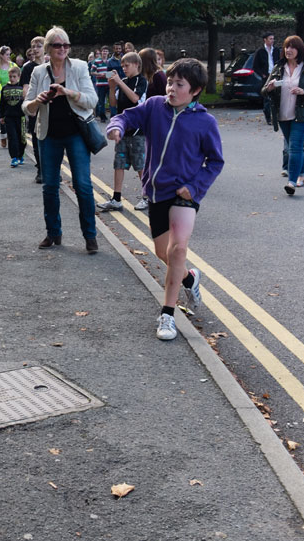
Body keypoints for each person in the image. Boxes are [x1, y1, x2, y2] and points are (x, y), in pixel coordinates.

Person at [106, 58, 224, 341]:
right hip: (156, 192)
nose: (171, 88)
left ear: (194, 90)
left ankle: (168, 315)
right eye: (170, 82)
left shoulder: (205, 122)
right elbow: (126, 115)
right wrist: (116, 126)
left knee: (178, 250)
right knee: (164, 253)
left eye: (179, 84)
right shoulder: (154, 106)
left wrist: (194, 188)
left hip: (184, 194)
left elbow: (215, 162)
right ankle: (189, 279)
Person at [22, 27, 100, 254]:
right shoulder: (38, 72)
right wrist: (38, 100)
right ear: (48, 48)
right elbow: (26, 107)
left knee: (83, 186)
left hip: (76, 133)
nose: (63, 49)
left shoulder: (79, 67)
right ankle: (53, 233)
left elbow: (92, 100)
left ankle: (90, 236)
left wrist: (68, 92)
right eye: (58, 45)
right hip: (48, 135)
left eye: (66, 45)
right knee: (50, 186)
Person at [262, 35, 304, 194]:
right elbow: (263, 91)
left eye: (292, 47)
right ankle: (302, 175)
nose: (288, 50)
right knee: (294, 146)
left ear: (299, 50)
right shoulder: (278, 67)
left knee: (294, 147)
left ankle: (292, 182)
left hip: (303, 114)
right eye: (286, 47)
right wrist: (269, 88)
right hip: (283, 114)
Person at [99, 52, 149, 212]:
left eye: (126, 66)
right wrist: (113, 88)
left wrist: (119, 82)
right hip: (123, 131)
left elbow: (135, 99)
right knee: (119, 165)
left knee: (140, 165)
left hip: (137, 132)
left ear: (136, 65)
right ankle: (116, 198)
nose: (124, 69)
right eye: (122, 66)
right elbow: (113, 104)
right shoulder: (123, 82)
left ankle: (147, 197)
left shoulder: (142, 81)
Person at [24, 38, 45, 183]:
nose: (35, 49)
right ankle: (41, 171)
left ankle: (54, 170)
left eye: (39, 46)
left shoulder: (52, 65)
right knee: (37, 141)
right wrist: (30, 106)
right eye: (33, 47)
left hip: (51, 109)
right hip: (36, 108)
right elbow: (25, 89)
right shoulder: (27, 68)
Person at [0, 66, 27, 167]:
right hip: (9, 117)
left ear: (19, 77)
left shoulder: (22, 88)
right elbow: (2, 104)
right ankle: (14, 157)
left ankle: (20, 155)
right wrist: (1, 116)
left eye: (14, 76)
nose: (12, 78)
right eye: (10, 76)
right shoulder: (5, 88)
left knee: (22, 138)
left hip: (21, 117)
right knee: (12, 138)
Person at [253, 32, 281, 124]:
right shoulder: (260, 51)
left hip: (276, 76)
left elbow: (280, 62)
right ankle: (268, 118)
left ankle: (277, 117)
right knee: (267, 98)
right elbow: (255, 66)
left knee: (277, 96)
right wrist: (262, 74)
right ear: (265, 40)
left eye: (273, 38)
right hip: (266, 77)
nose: (272, 40)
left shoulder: (276, 50)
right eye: (270, 39)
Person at [90, 46, 111, 122]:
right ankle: (102, 117)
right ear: (101, 52)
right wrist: (100, 74)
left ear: (108, 53)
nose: (105, 52)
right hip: (100, 84)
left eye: (106, 51)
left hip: (109, 84)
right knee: (101, 102)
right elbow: (92, 72)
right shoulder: (96, 61)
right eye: (103, 51)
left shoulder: (110, 61)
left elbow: (113, 72)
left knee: (111, 101)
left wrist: (107, 75)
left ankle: (113, 117)